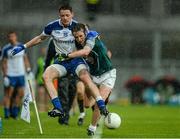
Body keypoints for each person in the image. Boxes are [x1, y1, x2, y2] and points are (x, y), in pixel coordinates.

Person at [11, 5, 108, 119]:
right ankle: (58, 107)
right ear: (59, 15)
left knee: (86, 78)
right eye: (62, 15)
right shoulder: (52, 26)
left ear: (72, 14)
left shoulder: (78, 27)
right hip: (61, 61)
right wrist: (23, 46)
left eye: (67, 15)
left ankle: (101, 105)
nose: (65, 18)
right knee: (46, 76)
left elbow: (90, 39)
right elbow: (40, 38)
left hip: (76, 61)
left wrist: (96, 41)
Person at [62, 23, 116, 135]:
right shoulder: (76, 45)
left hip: (108, 75)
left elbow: (87, 51)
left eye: (81, 36)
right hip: (93, 77)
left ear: (85, 33)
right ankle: (101, 100)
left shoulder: (92, 35)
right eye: (76, 37)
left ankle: (92, 128)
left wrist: (68, 55)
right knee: (87, 104)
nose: (79, 39)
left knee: (98, 103)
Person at [1, 31, 31, 119]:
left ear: (16, 37)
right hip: (10, 74)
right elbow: (4, 63)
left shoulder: (21, 47)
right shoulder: (6, 49)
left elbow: (25, 59)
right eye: (10, 37)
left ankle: (14, 112)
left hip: (21, 74)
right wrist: (5, 75)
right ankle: (7, 113)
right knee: (8, 94)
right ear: (8, 38)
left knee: (20, 94)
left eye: (13, 36)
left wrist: (28, 69)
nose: (11, 38)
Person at [35, 47, 49, 111]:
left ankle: (46, 108)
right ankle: (41, 109)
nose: (44, 52)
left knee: (47, 96)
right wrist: (35, 79)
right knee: (41, 94)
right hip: (41, 80)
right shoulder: (40, 60)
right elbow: (37, 71)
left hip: (48, 81)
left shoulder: (50, 59)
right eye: (43, 51)